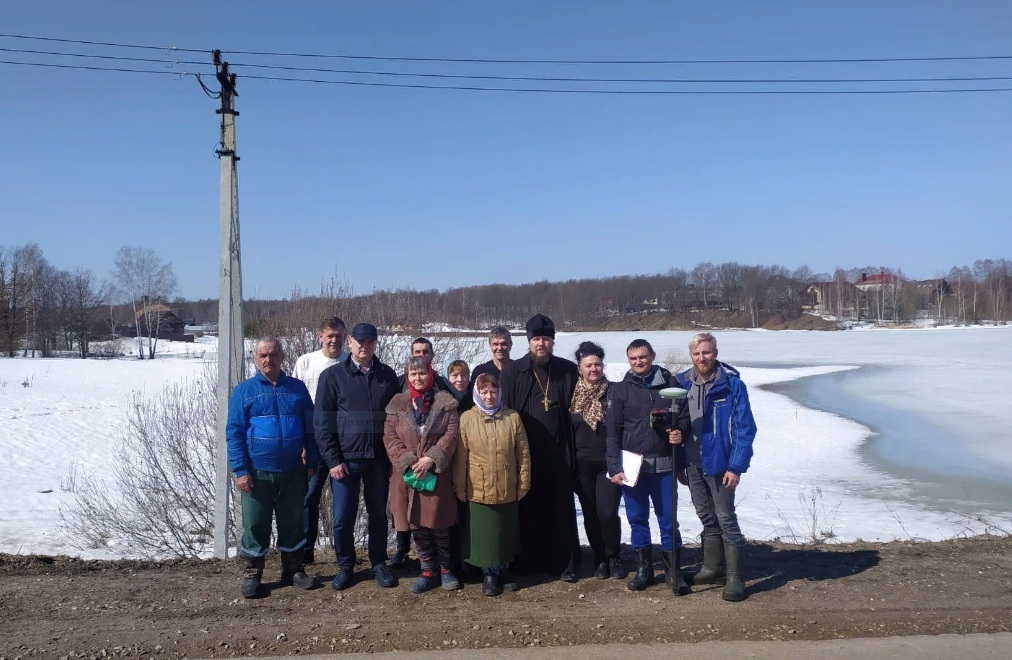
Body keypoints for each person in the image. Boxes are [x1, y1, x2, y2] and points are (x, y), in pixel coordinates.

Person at [226, 338, 318, 598]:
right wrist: (241, 469)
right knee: (255, 524)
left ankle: (293, 570)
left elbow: (311, 429)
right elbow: (234, 433)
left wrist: (311, 461)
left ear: (282, 357)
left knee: (293, 521)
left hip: (292, 471)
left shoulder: (297, 389)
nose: (269, 359)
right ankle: (253, 575)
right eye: (263, 355)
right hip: (257, 472)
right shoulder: (245, 391)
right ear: (256, 359)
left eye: (274, 354)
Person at [314, 322, 400, 590]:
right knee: (342, 517)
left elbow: (396, 419)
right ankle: (345, 565)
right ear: (350, 342)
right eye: (360, 341)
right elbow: (322, 423)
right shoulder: (332, 377)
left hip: (377, 460)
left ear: (376, 344)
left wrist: (393, 457)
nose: (365, 346)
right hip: (345, 461)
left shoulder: (387, 376)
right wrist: (333, 460)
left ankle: (378, 563)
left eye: (370, 342)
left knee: (377, 514)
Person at [674, 332, 757, 602]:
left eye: (706, 353)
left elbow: (745, 429)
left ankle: (734, 577)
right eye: (697, 354)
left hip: (721, 464)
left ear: (716, 353)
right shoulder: (681, 383)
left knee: (725, 518)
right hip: (692, 463)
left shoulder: (732, 386)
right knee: (706, 517)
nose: (702, 358)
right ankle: (712, 568)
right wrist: (677, 462)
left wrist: (736, 467)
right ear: (691, 355)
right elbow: (675, 424)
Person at [499, 314, 581, 581]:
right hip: (526, 455)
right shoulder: (513, 372)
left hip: (559, 453)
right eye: (536, 339)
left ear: (552, 341)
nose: (541, 344)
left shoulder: (567, 370)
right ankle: (528, 564)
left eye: (546, 339)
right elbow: (504, 414)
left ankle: (564, 564)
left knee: (559, 510)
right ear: (529, 342)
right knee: (528, 511)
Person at [607, 338, 691, 595]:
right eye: (633, 359)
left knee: (668, 520)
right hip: (634, 467)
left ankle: (673, 572)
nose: (638, 362)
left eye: (642, 357)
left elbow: (685, 419)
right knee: (637, 519)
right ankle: (644, 571)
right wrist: (614, 467)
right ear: (628, 360)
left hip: (665, 465)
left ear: (652, 356)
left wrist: (680, 432)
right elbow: (613, 432)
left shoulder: (671, 384)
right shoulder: (621, 390)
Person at [384, 356, 461, 593]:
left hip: (436, 474)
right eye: (413, 374)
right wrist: (408, 460)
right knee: (417, 523)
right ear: (408, 376)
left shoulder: (446, 403)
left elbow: (452, 434)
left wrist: (432, 458)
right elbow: (389, 437)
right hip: (409, 475)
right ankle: (427, 570)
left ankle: (446, 570)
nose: (418, 378)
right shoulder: (397, 404)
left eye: (422, 373)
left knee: (439, 523)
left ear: (430, 374)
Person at [454, 374, 531, 596]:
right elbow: (460, 457)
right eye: (484, 391)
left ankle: (504, 570)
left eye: (493, 391)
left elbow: (523, 453)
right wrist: (459, 487)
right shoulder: (467, 419)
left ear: (499, 393)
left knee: (505, 532)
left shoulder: (512, 418)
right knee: (485, 534)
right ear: (477, 393)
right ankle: (489, 573)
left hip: (507, 484)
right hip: (478, 487)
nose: (489, 396)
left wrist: (524, 483)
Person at [390, 336, 451, 568]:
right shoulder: (399, 387)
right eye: (417, 352)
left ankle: (443, 564)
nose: (421, 356)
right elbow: (391, 427)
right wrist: (406, 459)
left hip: (434, 464)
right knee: (406, 508)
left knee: (435, 512)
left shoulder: (442, 386)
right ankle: (403, 550)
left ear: (432, 355)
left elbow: (451, 425)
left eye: (425, 352)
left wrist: (433, 457)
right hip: (405, 460)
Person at [292, 316, 347, 565]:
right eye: (330, 335)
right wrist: (302, 443)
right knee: (308, 497)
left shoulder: (350, 362)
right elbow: (295, 405)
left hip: (344, 443)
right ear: (320, 337)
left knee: (344, 500)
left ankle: (343, 553)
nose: (334, 340)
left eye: (339, 336)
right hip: (312, 442)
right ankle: (306, 551)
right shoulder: (306, 362)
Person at [570, 341, 624, 580]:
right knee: (590, 514)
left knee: (607, 513)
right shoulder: (572, 395)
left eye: (598, 364)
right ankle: (600, 558)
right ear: (580, 368)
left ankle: (614, 556)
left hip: (608, 463)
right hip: (582, 464)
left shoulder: (614, 391)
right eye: (588, 365)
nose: (594, 369)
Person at [460, 326, 513, 412]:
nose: (499, 348)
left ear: (510, 345)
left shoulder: (519, 369)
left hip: (512, 419)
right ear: (490, 346)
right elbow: (472, 400)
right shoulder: (480, 371)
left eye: (504, 344)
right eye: (495, 344)